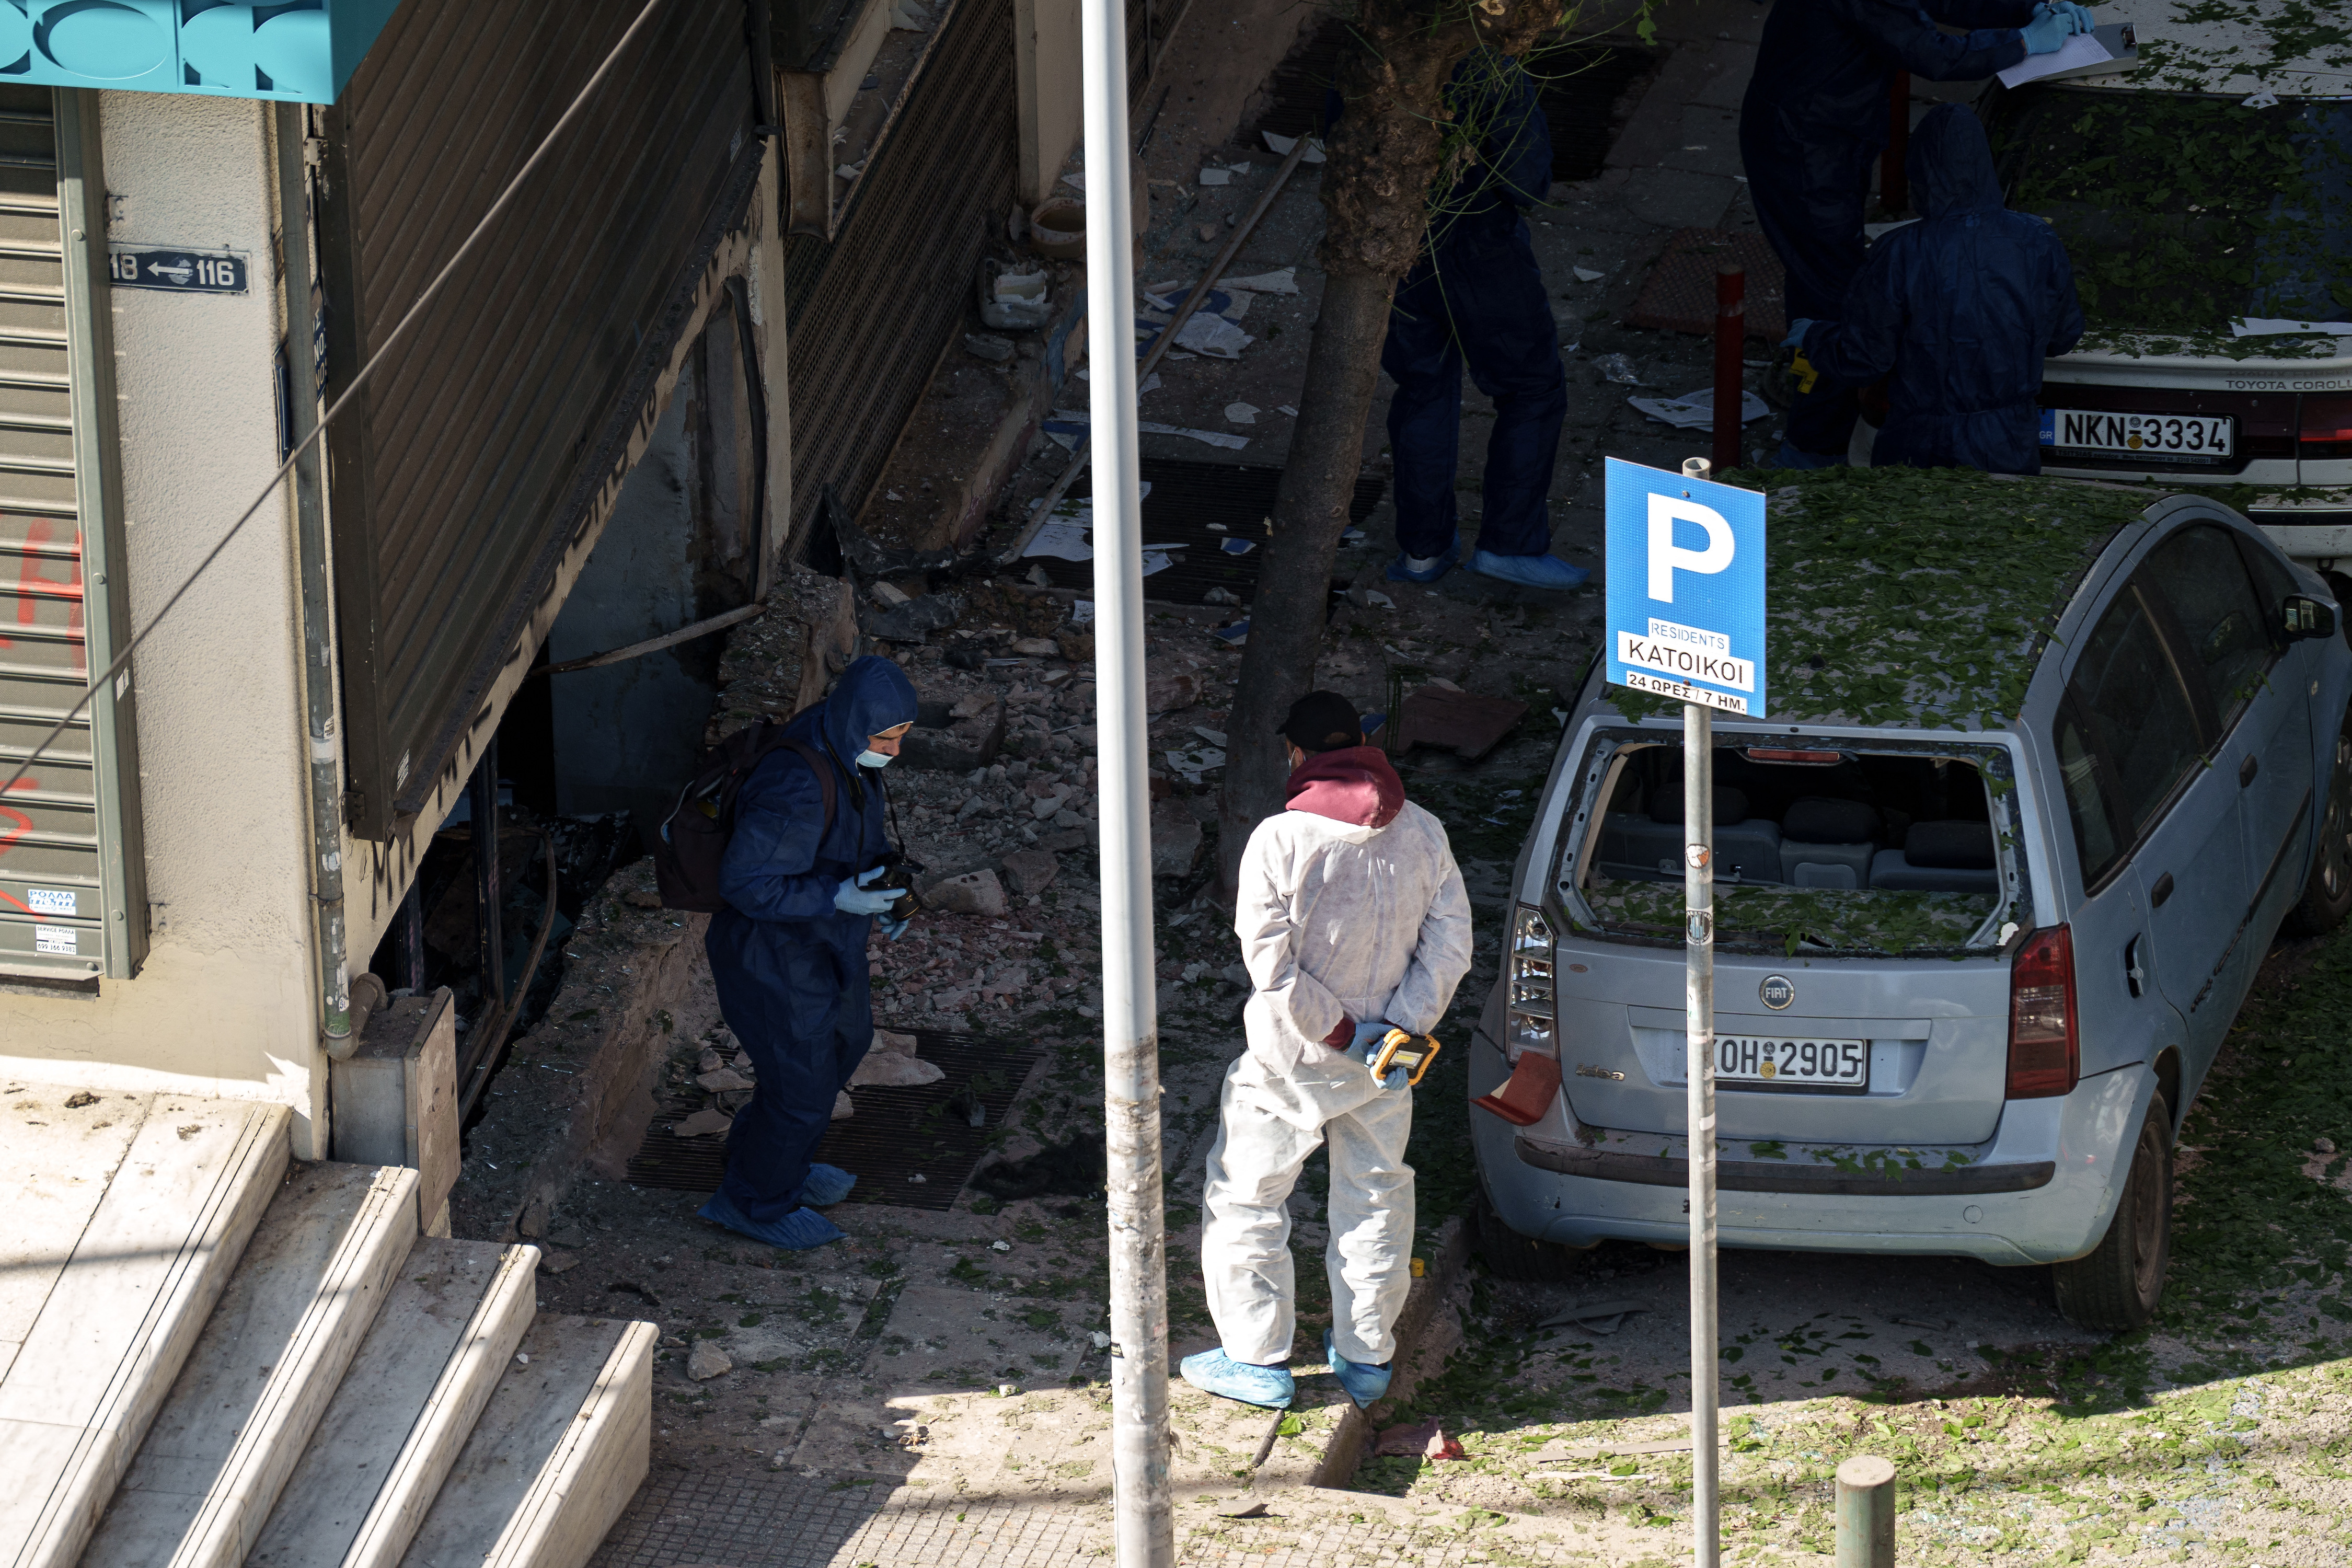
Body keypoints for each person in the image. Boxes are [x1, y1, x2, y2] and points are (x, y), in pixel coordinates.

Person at [1181, 691, 1473, 1410]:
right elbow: (1452, 946)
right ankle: (1368, 1358)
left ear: (1297, 755)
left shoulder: (1280, 840)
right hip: (1386, 1065)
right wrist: (1399, 1029)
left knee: (1248, 1199)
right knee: (1376, 1197)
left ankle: (1256, 1360)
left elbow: (1272, 969)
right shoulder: (1426, 831)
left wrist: (1339, 1032)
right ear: (1364, 743)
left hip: (1292, 1061)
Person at [1739, 0, 2093, 467]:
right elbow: (1932, 52)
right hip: (1808, 149)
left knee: (1825, 285)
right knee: (1829, 288)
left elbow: (1867, 346)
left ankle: (1815, 439)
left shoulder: (1902, 253)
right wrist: (2024, 40)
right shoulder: (2036, 242)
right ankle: (1815, 444)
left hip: (1816, 134)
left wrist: (2028, 9)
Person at [697, 655, 918, 1251]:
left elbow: (845, 838)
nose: (894, 753)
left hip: (824, 938)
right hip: (773, 953)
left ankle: (768, 1164)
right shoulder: (795, 783)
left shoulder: (843, 746)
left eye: (902, 736)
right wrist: (842, 896)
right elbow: (747, 884)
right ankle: (753, 1205)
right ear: (855, 724)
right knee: (802, 1085)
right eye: (887, 738)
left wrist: (878, 888)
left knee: (843, 1045)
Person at [1784, 104, 2084, 473]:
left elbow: (1864, 358)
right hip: (2008, 439)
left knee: (1914, 526)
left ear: (1921, 173)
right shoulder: (2037, 239)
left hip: (1918, 441)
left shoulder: (1899, 251)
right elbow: (2064, 336)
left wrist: (1816, 337)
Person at [1381, 53, 1585, 592]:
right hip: (1478, 243)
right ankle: (1509, 543)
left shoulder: (1375, 49)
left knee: (1423, 387)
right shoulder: (1486, 63)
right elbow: (1526, 180)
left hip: (1391, 241)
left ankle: (1422, 550)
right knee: (1533, 388)